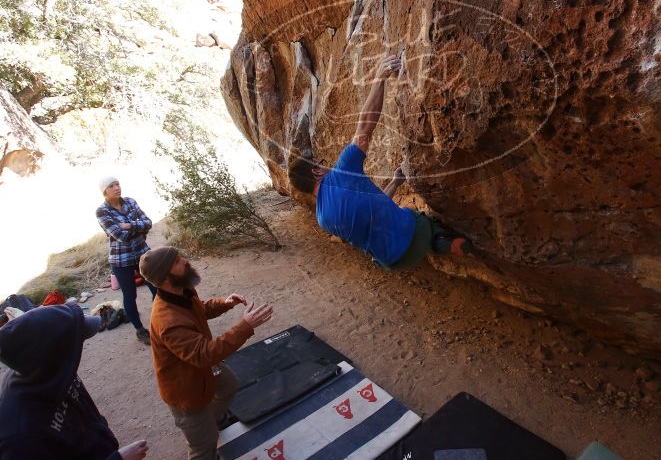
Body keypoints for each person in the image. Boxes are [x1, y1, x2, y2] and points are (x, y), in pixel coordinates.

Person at [288, 53, 474, 270]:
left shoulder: (323, 219)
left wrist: (395, 182)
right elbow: (365, 126)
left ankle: (433, 244)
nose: (325, 164)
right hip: (414, 236)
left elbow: (375, 209)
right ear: (316, 173)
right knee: (423, 221)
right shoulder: (342, 171)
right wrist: (380, 78)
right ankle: (439, 238)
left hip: (393, 262)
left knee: (389, 228)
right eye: (320, 163)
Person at [138, 246, 273, 460]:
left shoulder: (182, 291)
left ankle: (211, 422)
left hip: (203, 372)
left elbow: (199, 309)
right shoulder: (167, 321)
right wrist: (246, 325)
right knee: (203, 449)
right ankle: (206, 431)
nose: (184, 261)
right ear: (164, 278)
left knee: (227, 385)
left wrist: (224, 303)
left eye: (180, 257)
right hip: (186, 390)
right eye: (177, 261)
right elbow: (205, 355)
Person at [0, 302, 149, 459]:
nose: (79, 348)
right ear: (53, 352)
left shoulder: (52, 370)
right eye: (76, 343)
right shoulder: (20, 438)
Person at [96, 176, 157, 345]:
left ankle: (163, 321)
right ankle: (140, 330)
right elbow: (120, 236)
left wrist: (129, 225)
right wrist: (138, 226)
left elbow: (149, 222)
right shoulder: (102, 211)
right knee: (130, 295)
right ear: (105, 191)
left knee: (157, 286)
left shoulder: (130, 201)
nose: (117, 188)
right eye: (111, 186)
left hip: (142, 253)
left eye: (117, 184)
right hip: (120, 260)